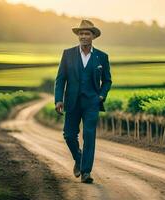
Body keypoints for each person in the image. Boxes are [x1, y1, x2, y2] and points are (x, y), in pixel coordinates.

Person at [54, 19, 112, 184]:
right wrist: (58, 99)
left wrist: (101, 96)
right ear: (78, 36)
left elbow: (107, 81)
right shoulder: (68, 54)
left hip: (92, 103)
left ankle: (86, 171)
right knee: (69, 135)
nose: (83, 36)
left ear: (93, 36)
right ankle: (78, 159)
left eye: (87, 33)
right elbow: (60, 79)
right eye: (81, 33)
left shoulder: (102, 57)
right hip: (71, 102)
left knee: (89, 135)